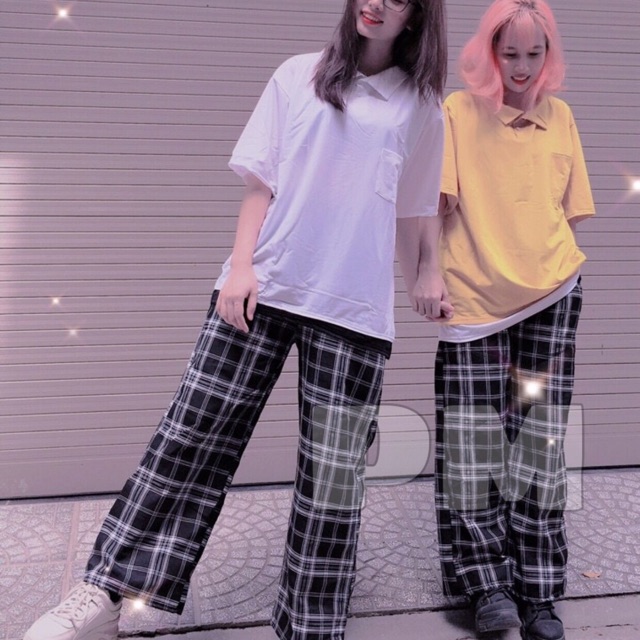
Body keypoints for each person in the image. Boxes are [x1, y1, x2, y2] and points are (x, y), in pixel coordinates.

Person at [24, 1, 447, 639]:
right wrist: (242, 266)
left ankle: (311, 623)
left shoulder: (422, 107)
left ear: (416, 16)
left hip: (354, 309)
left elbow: (416, 210)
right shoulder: (299, 75)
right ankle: (107, 590)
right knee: (190, 436)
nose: (376, 2)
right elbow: (260, 184)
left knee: (334, 476)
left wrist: (427, 275)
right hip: (263, 285)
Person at [413, 1, 595, 639]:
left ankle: (539, 591)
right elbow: (433, 204)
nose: (521, 67)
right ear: (488, 51)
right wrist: (427, 273)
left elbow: (566, 214)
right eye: (509, 53)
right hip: (472, 300)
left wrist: (562, 281)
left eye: (533, 54)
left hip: (552, 294)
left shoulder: (561, 117)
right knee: (472, 447)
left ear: (550, 54)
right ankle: (486, 585)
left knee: (540, 445)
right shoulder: (457, 112)